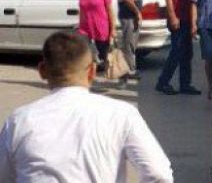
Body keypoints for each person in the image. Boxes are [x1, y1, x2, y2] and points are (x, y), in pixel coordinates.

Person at [0, 31, 173, 182]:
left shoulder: (19, 121)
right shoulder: (121, 114)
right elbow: (158, 174)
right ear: (91, 71)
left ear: (42, 71)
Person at [156, 0, 200, 95]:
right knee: (176, 52)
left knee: (187, 53)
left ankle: (185, 84)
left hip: (187, 17)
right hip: (178, 18)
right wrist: (173, 17)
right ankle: (163, 82)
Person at [77, 0, 115, 70]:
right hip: (86, 27)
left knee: (103, 55)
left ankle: (105, 71)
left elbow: (110, 10)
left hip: (101, 26)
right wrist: (80, 26)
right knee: (85, 52)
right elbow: (82, 10)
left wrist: (113, 29)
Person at [114, 0, 142, 81]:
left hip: (132, 15)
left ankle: (130, 68)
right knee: (129, 43)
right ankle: (129, 70)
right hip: (128, 15)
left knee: (132, 43)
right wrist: (137, 12)